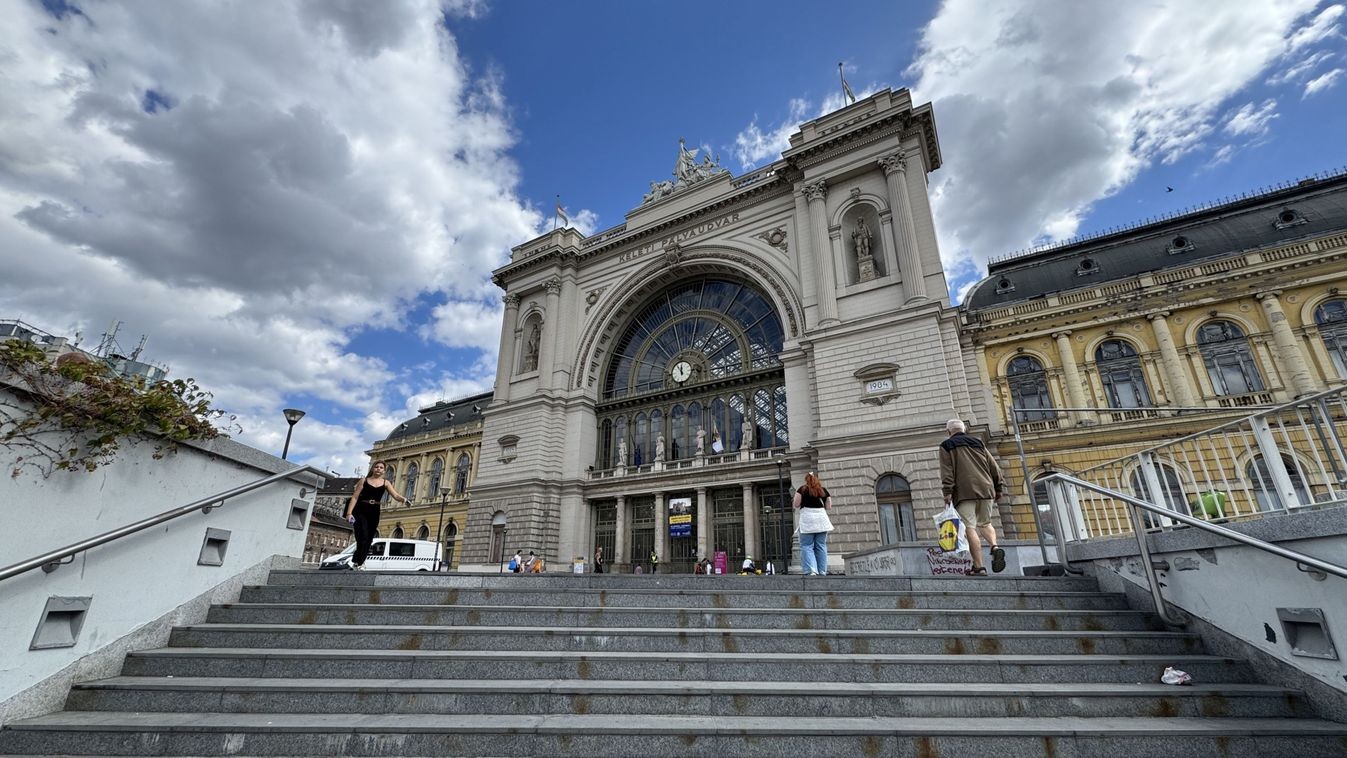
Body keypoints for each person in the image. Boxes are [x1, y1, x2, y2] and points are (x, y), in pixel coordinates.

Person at [940, 418, 1006, 576]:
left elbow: (947, 471)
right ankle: (994, 546)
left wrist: (947, 492)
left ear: (948, 432)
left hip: (965, 491)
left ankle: (979, 567)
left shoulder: (946, 445)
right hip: (986, 489)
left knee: (970, 527)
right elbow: (994, 467)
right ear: (964, 430)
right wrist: (998, 487)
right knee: (985, 523)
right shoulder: (978, 443)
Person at [344, 461, 411, 571]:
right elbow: (355, 497)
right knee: (362, 535)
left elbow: (395, 495)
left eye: (381, 467)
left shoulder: (386, 483)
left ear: (384, 471)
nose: (378, 469)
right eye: (376, 467)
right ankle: (360, 562)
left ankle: (357, 560)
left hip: (374, 511)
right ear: (373, 469)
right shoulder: (364, 481)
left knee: (369, 538)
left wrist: (404, 500)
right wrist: (349, 513)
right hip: (361, 509)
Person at [792, 472, 834, 576]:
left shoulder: (802, 489)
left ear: (806, 480)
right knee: (821, 545)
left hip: (807, 520)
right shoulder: (823, 490)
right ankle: (822, 570)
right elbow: (829, 506)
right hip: (821, 521)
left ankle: (811, 570)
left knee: (807, 546)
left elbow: (796, 504)